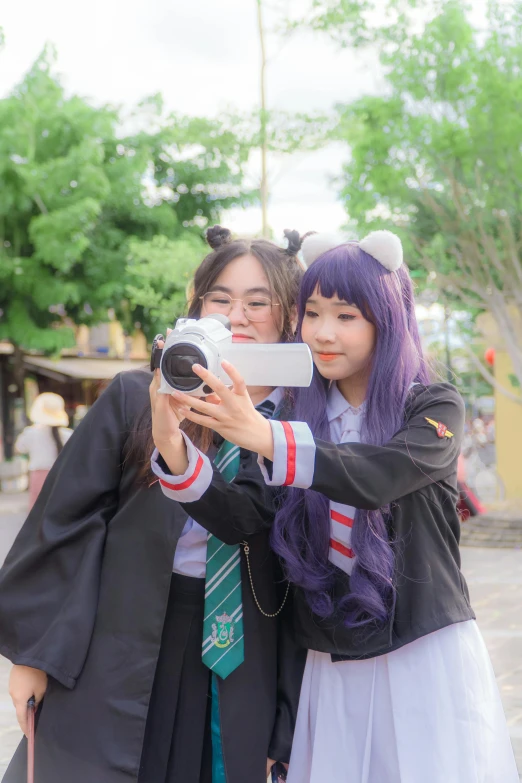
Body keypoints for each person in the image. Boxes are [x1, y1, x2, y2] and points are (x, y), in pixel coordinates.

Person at [156, 230, 519, 782]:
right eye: (313, 313)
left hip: (422, 652)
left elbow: (378, 477)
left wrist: (266, 436)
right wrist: (174, 451)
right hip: (328, 668)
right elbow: (241, 518)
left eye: (346, 316)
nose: (323, 333)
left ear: (387, 321)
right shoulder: (296, 412)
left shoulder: (433, 405)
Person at [0, 226, 305, 783]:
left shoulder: (300, 431)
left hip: (243, 652)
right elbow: (65, 525)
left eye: (258, 302)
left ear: (288, 316)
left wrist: (285, 723)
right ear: (197, 309)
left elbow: (295, 574)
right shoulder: (135, 399)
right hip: (123, 633)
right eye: (220, 299)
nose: (238, 315)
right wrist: (32, 657)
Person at [14, 392, 73, 509]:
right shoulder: (68, 434)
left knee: (37, 510)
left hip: (38, 474)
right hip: (63, 474)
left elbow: (19, 449)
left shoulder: (31, 432)